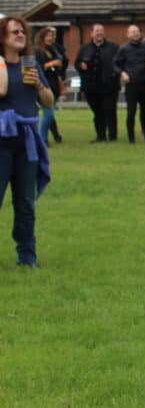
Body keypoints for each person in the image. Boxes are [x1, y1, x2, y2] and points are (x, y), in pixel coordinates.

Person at [0, 16, 53, 268]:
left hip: (27, 141)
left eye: (22, 31)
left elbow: (49, 102)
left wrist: (40, 85)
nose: (20, 35)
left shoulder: (30, 66)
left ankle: (27, 257)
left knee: (25, 203)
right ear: (2, 37)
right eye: (14, 32)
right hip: (2, 140)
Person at [74, 24, 120, 142]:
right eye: (97, 31)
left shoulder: (114, 47)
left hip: (109, 86)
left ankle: (112, 137)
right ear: (92, 33)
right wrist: (81, 66)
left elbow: (120, 62)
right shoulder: (84, 48)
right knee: (98, 112)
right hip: (91, 87)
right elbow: (77, 63)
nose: (99, 33)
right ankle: (101, 136)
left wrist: (116, 73)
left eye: (101, 31)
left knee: (110, 111)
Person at [114, 24, 145, 143]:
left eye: (137, 31)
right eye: (132, 32)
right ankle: (131, 139)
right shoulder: (123, 48)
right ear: (128, 35)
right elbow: (115, 64)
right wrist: (122, 73)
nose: (135, 34)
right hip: (131, 84)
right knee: (131, 112)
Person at [34, 26, 68, 145]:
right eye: (49, 35)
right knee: (49, 113)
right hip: (44, 84)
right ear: (42, 37)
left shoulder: (53, 49)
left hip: (54, 83)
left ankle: (50, 137)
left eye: (53, 36)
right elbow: (37, 68)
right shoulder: (38, 51)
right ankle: (41, 139)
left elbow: (63, 59)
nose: (51, 38)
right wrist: (52, 63)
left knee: (50, 113)